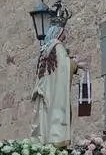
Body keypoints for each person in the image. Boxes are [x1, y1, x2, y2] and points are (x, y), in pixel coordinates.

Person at [30, 13, 85, 147]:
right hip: (54, 94)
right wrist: (75, 64)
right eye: (63, 31)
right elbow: (64, 68)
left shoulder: (45, 50)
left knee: (45, 122)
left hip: (46, 91)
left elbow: (55, 69)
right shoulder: (58, 47)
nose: (65, 35)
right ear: (59, 32)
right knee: (56, 119)